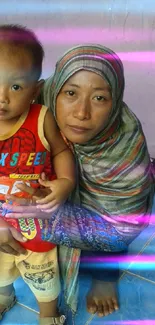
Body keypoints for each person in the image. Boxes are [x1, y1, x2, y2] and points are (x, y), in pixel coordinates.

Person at [1, 44, 154, 319]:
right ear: (54, 88)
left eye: (99, 98)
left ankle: (104, 276)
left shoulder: (125, 148)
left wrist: (47, 212)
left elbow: (121, 225)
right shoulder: (30, 103)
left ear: (115, 100)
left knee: (109, 233)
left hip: (100, 217)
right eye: (70, 93)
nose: (82, 113)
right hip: (36, 190)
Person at [0, 24, 76, 325]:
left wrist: (66, 182)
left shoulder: (41, 118)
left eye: (15, 87)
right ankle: (5, 295)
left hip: (37, 221)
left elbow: (60, 151)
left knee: (44, 274)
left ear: (35, 90)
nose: (2, 97)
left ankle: (48, 314)